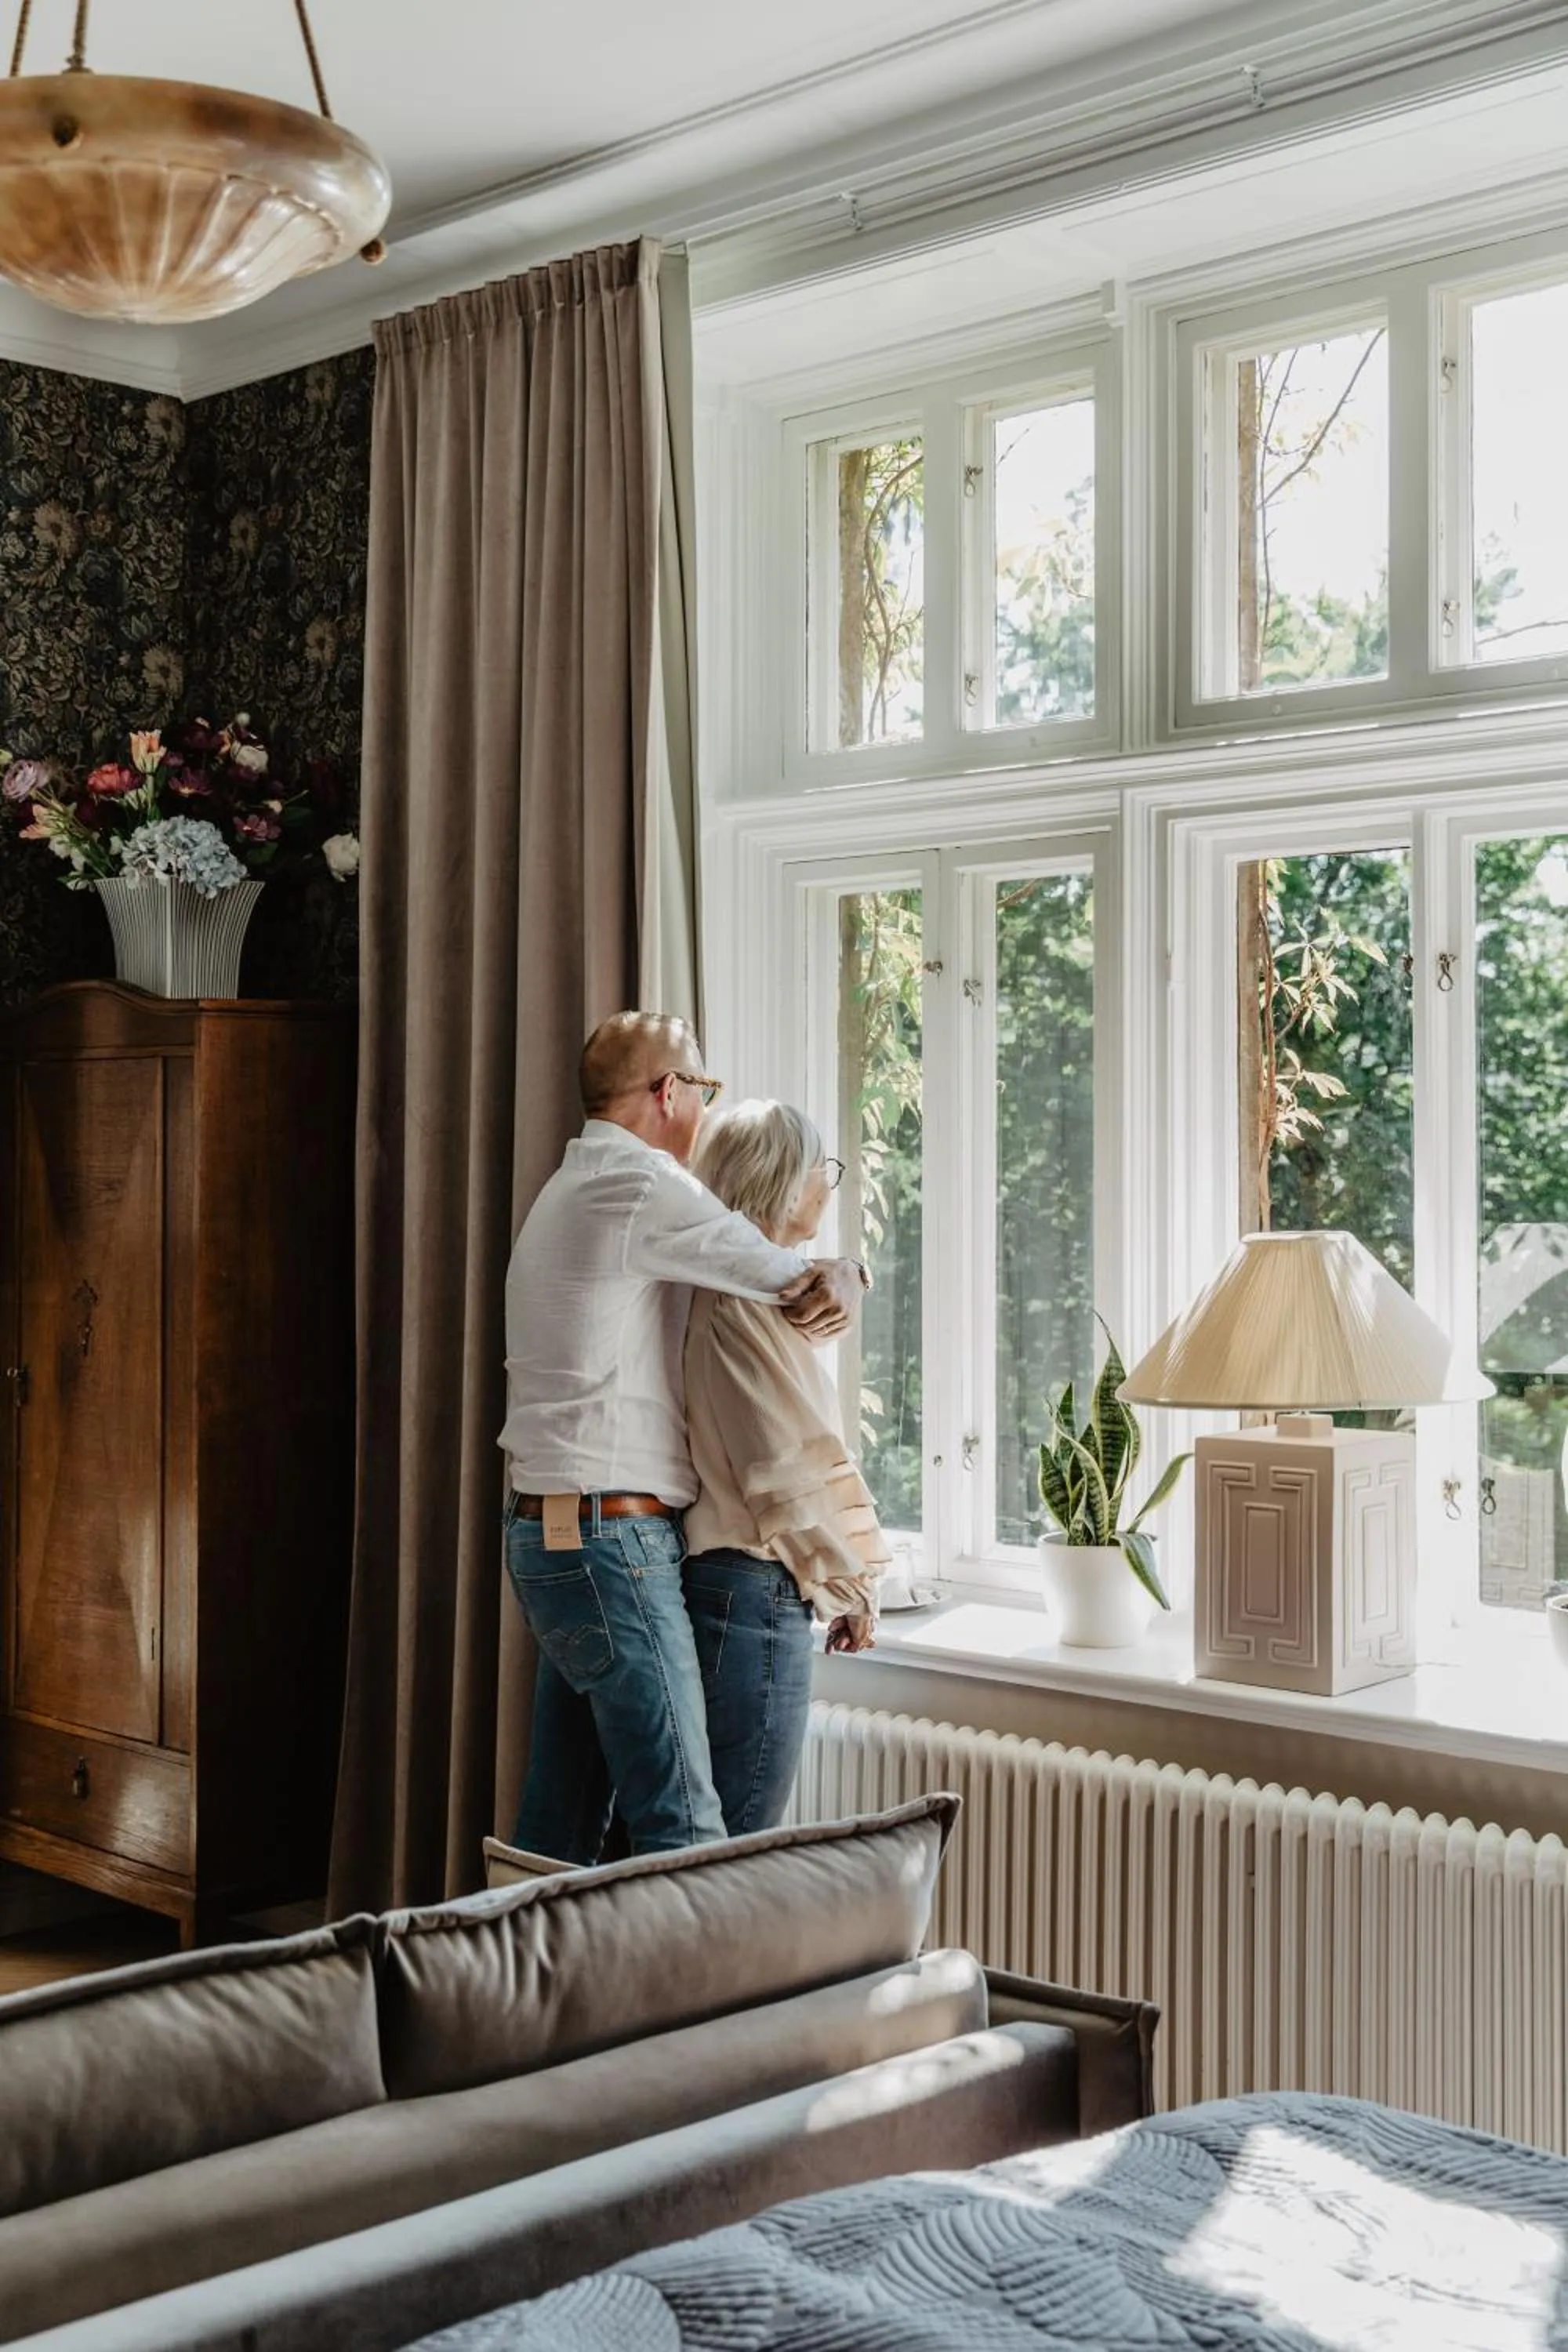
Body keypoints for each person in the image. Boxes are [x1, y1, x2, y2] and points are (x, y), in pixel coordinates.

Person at [499, 1011, 866, 1863]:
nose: (706, 1110)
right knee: (685, 1831)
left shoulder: (574, 1184)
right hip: (606, 1540)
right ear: (669, 1092)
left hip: (554, 1533)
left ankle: (510, 1995)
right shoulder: (638, 1187)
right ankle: (698, 2001)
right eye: (704, 1090)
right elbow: (786, 1276)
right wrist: (850, 1271)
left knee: (557, 1831)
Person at [682, 1099, 887, 1836]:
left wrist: (851, 1271)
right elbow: (784, 1471)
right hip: (752, 1589)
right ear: (778, 1180)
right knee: (739, 1838)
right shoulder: (738, 1304)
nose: (829, 1186)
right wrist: (847, 1587)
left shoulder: (753, 1292)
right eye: (820, 1169)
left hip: (743, 1589)